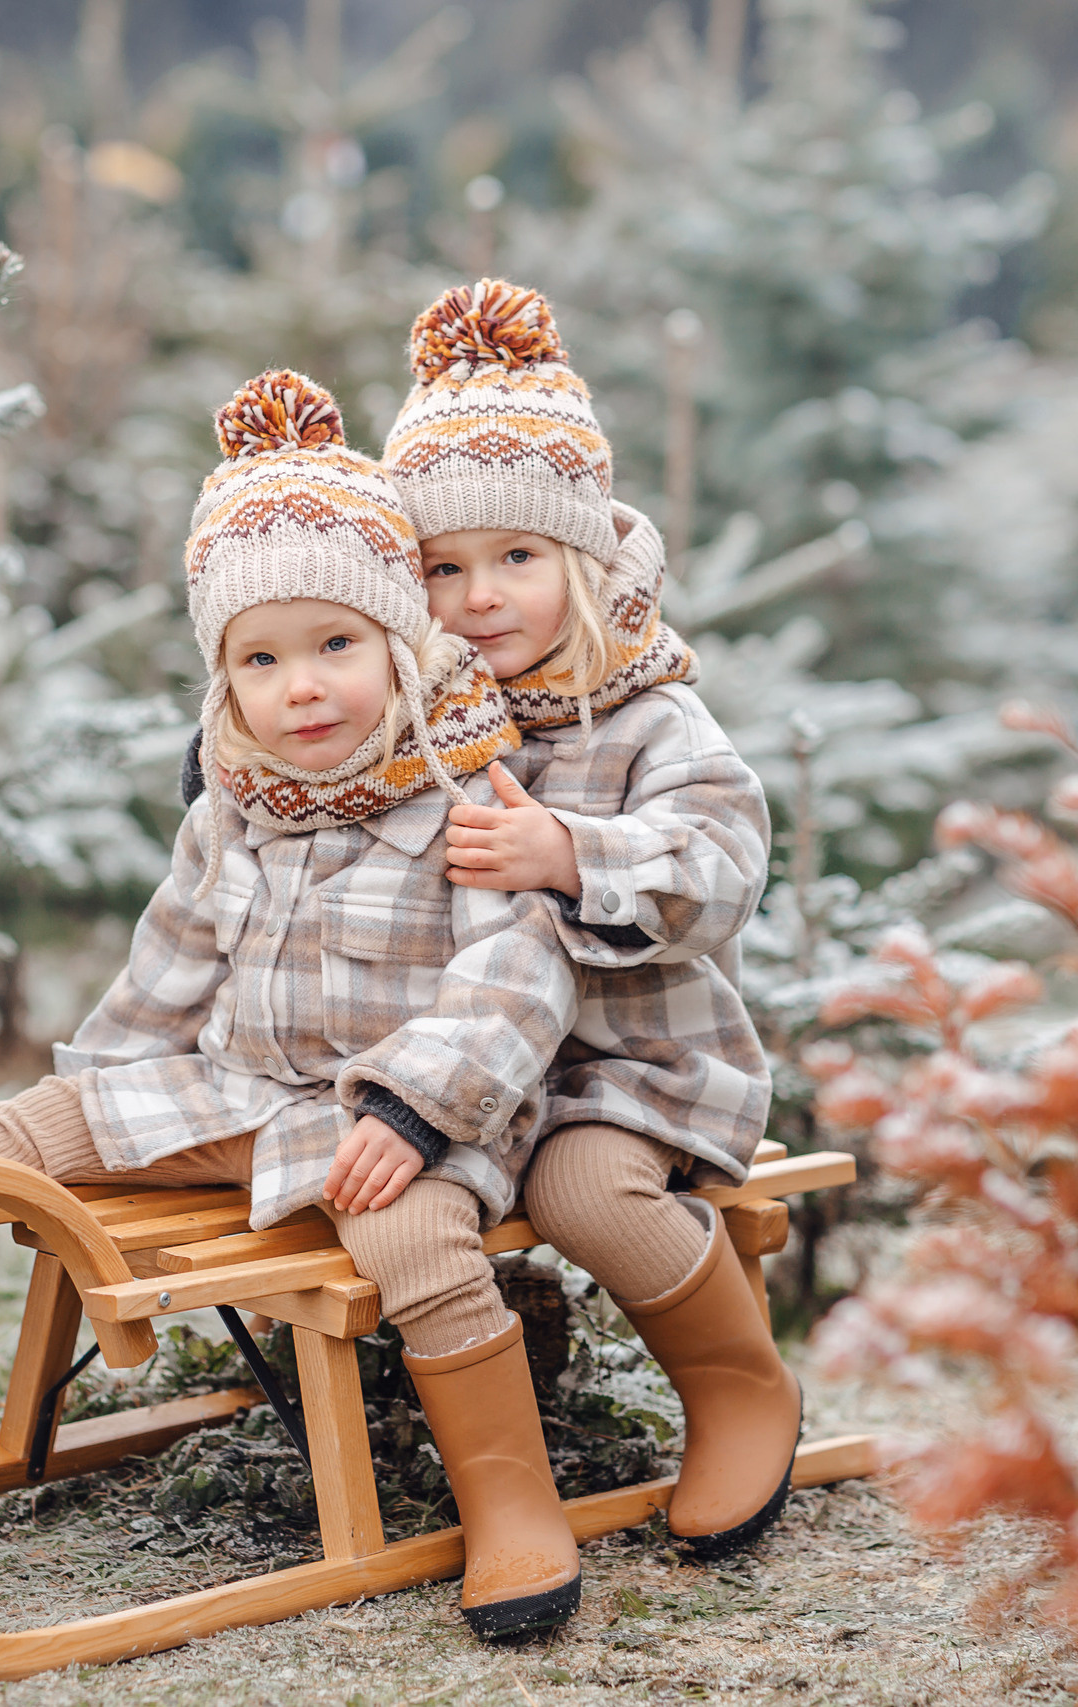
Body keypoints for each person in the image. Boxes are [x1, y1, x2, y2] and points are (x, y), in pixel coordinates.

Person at [0, 370, 588, 1638]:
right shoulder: (234, 808)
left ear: (400, 647)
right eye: (260, 659)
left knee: (416, 1248)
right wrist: (93, 1095)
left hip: (393, 1122)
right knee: (30, 1133)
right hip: (235, 1090)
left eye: (335, 647)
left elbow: (516, 977)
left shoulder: (467, 801)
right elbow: (169, 966)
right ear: (224, 681)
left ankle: (510, 1503)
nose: (300, 688)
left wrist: (421, 1115)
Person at [382, 278, 794, 1561]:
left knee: (582, 1189)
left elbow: (721, 864)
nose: (480, 597)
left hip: (629, 1065)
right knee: (387, 1192)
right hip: (465, 1070)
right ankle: (458, 1449)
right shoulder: (421, 717)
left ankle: (737, 1386)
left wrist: (571, 851)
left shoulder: (648, 716)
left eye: (516, 560)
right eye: (442, 570)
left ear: (583, 560)